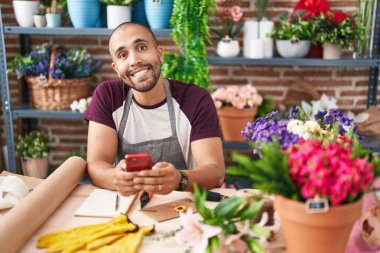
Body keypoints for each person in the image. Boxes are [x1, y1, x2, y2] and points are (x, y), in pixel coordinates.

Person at [84, 22, 225, 196]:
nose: (134, 61)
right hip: (129, 205)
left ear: (159, 54)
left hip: (182, 206)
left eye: (141, 47)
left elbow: (215, 170)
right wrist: (115, 177)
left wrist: (179, 179)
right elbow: (95, 164)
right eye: (123, 55)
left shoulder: (195, 100)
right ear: (117, 69)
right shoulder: (108, 96)